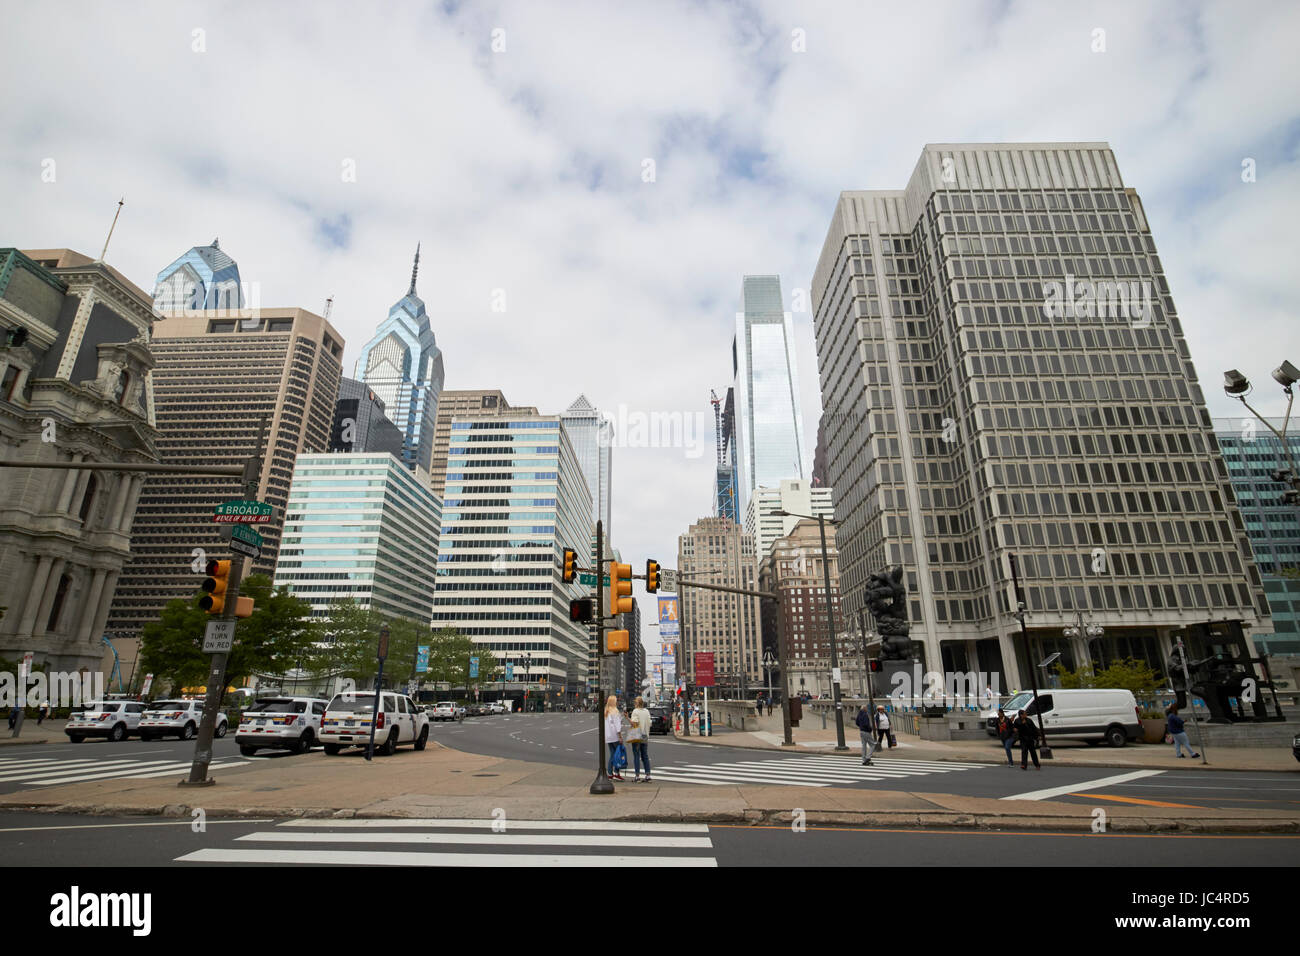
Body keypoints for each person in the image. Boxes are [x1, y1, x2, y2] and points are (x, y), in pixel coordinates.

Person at [628, 696, 653, 782]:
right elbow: (650, 723)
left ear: (636, 703)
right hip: (645, 735)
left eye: (635, 702)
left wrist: (627, 718)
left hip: (637, 735)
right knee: (645, 755)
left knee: (636, 755)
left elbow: (634, 723)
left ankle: (637, 776)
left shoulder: (635, 711)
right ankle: (648, 774)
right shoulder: (646, 711)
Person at [604, 695, 625, 781]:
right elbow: (617, 726)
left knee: (612, 754)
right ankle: (616, 772)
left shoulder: (606, 711)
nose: (617, 702)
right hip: (615, 736)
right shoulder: (615, 711)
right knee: (618, 755)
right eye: (616, 701)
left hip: (608, 736)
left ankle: (609, 773)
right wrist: (620, 736)